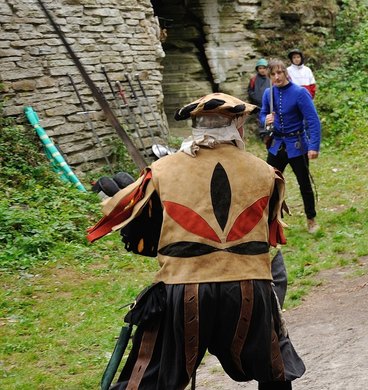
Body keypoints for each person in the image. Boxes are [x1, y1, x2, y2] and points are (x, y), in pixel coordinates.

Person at [86, 92, 304, 389]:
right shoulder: (267, 173)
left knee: (149, 377)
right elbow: (267, 239)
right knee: (274, 365)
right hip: (249, 290)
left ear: (196, 127)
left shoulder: (162, 171)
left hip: (184, 291)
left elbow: (149, 244)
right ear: (237, 126)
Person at [261, 59, 322, 234]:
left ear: (286, 73)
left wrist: (313, 146)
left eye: (280, 73)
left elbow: (313, 120)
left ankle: (311, 219)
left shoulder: (299, 93)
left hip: (297, 145)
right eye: (273, 74)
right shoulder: (268, 93)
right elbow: (263, 113)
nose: (277, 77)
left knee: (304, 184)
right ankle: (274, 221)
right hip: (277, 145)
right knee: (270, 183)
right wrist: (265, 119)